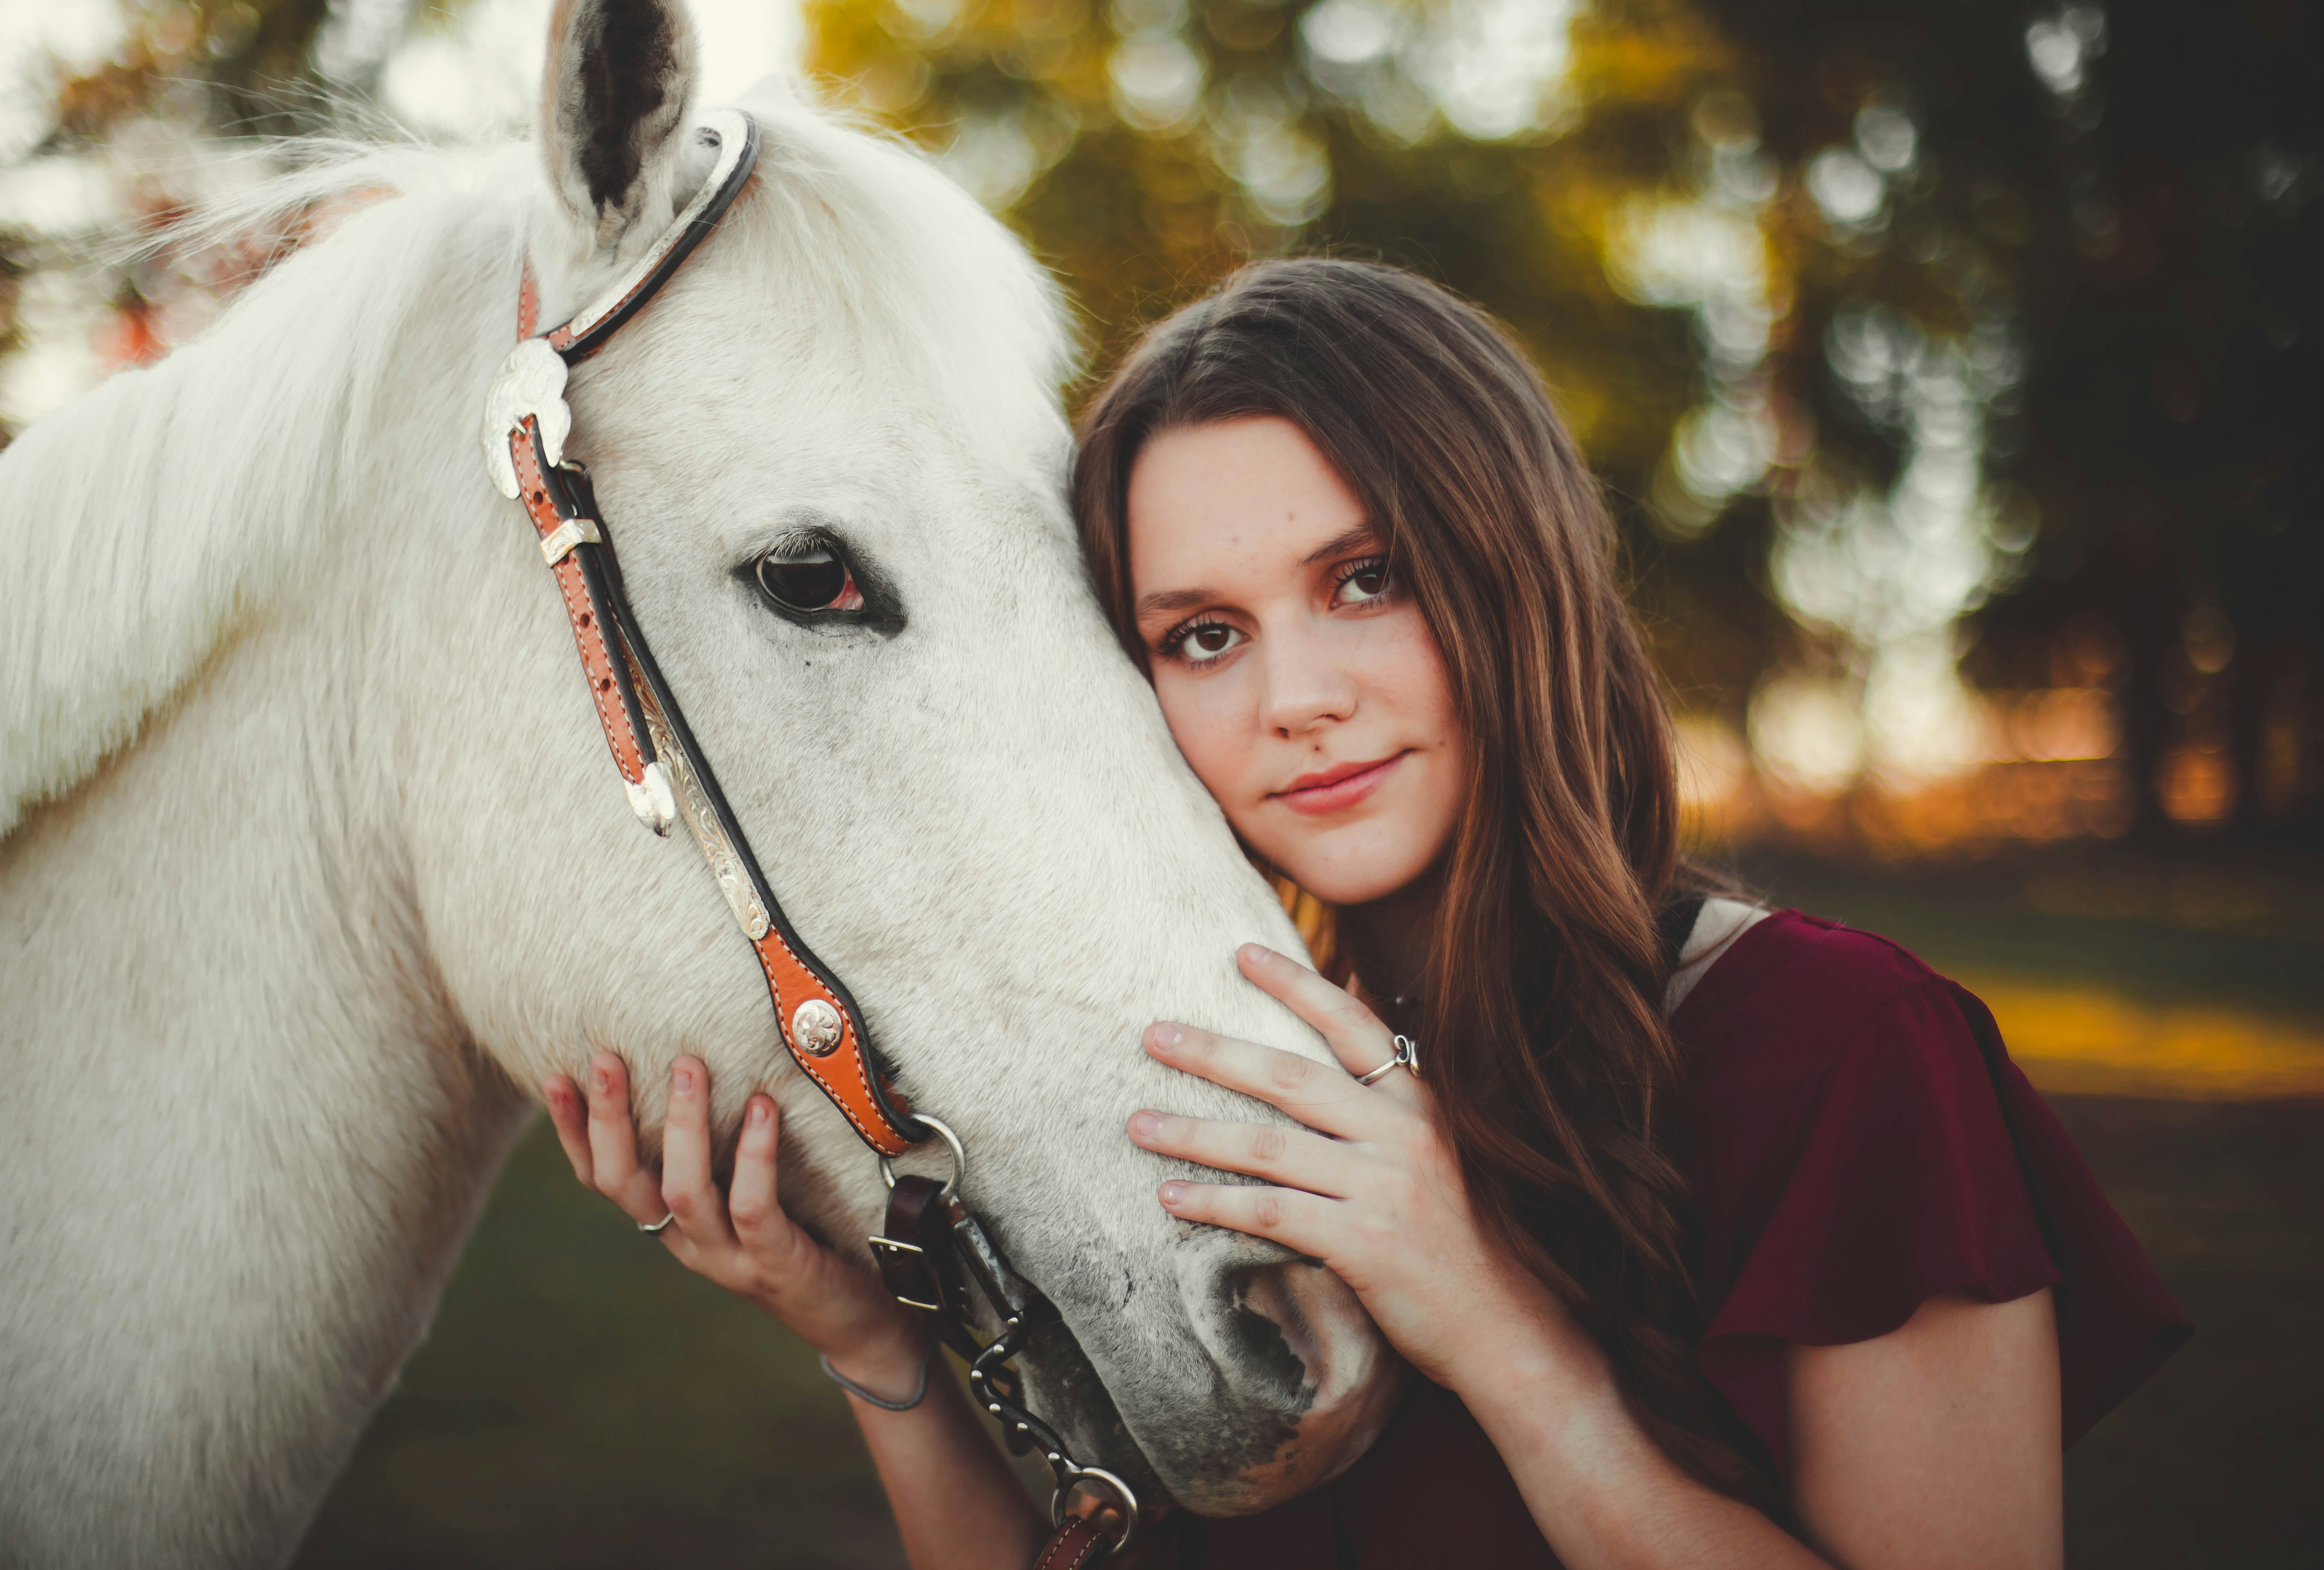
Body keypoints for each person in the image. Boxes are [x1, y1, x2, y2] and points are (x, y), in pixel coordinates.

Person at [542, 259, 2187, 1569]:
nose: (1296, 700)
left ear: (1512, 566)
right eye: (1200, 634)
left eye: (1365, 579)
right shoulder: (1223, 1074)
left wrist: (1496, 1331)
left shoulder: (1835, 1053)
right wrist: (863, 1335)